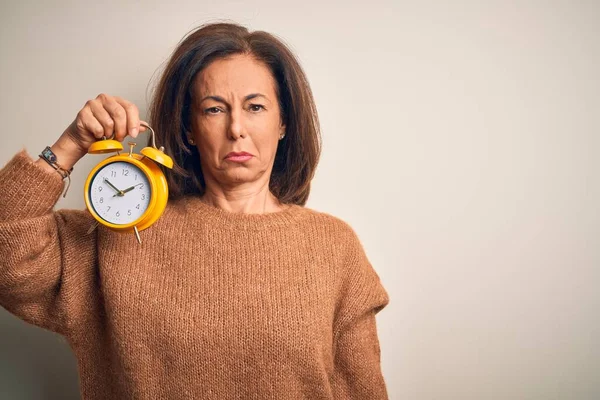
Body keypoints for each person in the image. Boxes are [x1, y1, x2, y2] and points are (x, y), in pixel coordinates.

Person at [0, 22, 390, 399]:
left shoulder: (334, 247)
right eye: (214, 110)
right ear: (189, 128)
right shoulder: (118, 232)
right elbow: (7, 252)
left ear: (283, 122)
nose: (236, 128)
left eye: (255, 107)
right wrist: (70, 144)